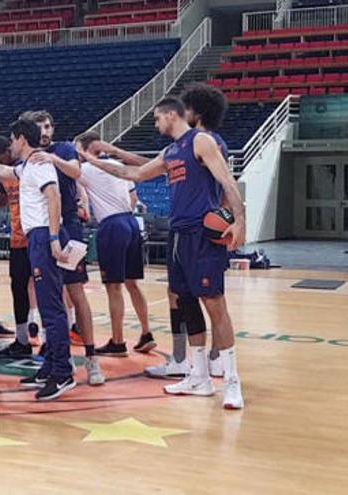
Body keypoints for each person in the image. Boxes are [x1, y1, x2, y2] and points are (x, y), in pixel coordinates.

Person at [79, 97, 246, 410]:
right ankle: (198, 377)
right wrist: (91, 160)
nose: (155, 125)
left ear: (172, 115)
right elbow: (135, 174)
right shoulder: (171, 152)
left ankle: (233, 381)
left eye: (157, 119)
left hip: (202, 233)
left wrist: (240, 220)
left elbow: (227, 180)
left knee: (215, 304)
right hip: (179, 234)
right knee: (185, 303)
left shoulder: (202, 141)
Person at [27, 111, 100, 381]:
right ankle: (56, 354)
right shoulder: (29, 156)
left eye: (47, 126)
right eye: (39, 127)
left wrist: (53, 158)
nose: (44, 131)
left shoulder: (64, 148)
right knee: (48, 291)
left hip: (67, 225)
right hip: (43, 227)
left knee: (75, 289)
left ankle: (92, 358)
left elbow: (76, 171)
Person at [74, 131, 153, 368]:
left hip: (112, 225)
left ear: (87, 150)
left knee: (113, 287)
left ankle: (118, 342)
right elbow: (133, 199)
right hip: (130, 222)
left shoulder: (86, 169)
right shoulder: (118, 165)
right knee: (132, 283)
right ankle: (146, 332)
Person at [10, 118, 76, 401]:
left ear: (22, 139)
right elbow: (3, 171)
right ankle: (51, 366)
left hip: (43, 235)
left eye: (12, 140)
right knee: (49, 304)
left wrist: (51, 238)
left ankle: (63, 372)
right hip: (36, 235)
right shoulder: (27, 166)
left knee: (51, 307)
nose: (10, 145)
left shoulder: (39, 164)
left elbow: (54, 196)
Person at [0, 136, 39, 359]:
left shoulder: (31, 168)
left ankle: (48, 338)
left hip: (37, 237)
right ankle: (21, 340)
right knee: (18, 289)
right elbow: (0, 198)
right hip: (18, 240)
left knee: (44, 290)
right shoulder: (6, 175)